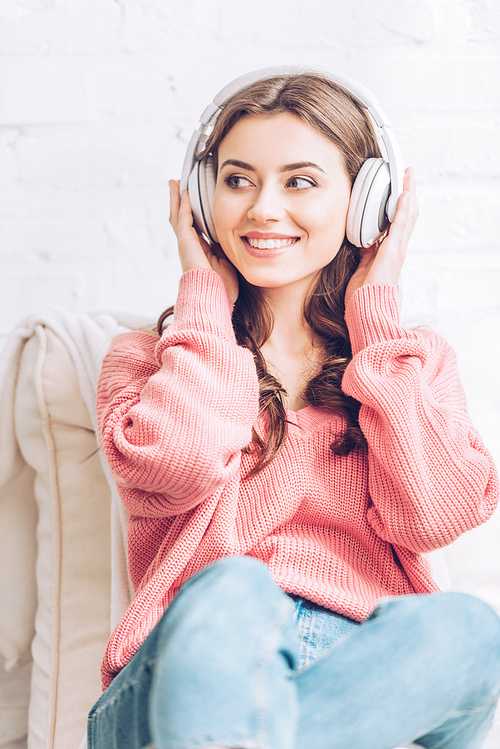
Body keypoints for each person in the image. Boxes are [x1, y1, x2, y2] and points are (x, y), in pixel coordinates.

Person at [87, 68, 500, 749]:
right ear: (200, 196)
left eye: (299, 181)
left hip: (358, 675)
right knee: (233, 586)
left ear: (367, 203)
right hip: (178, 676)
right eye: (237, 179)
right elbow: (179, 461)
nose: (262, 209)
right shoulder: (147, 360)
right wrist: (204, 301)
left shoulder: (409, 361)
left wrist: (378, 315)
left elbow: (435, 513)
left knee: (470, 630)